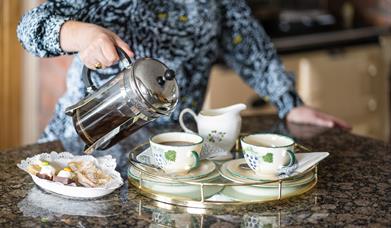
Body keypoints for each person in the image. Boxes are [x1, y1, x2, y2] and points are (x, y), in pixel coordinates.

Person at [17, 0, 350, 143]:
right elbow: (31, 27)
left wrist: (290, 103)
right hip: (87, 140)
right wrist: (83, 35)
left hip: (172, 150)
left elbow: (248, 44)